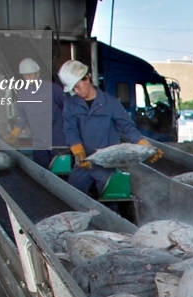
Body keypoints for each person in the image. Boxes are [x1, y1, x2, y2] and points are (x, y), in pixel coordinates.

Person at [58, 59, 162, 197]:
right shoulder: (70, 105)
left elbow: (127, 127)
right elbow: (70, 129)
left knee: (111, 200)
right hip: (83, 163)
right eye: (73, 89)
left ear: (87, 78)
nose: (76, 91)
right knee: (71, 197)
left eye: (77, 86)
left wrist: (145, 147)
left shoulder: (111, 103)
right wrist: (77, 150)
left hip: (107, 165)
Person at [5, 57, 67, 169]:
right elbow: (22, 118)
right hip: (39, 143)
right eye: (25, 76)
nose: (28, 78)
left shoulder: (53, 89)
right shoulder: (23, 95)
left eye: (30, 75)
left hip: (58, 141)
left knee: (62, 172)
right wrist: (14, 133)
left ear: (37, 74)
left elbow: (68, 110)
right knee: (41, 173)